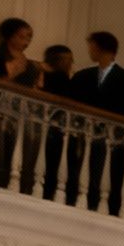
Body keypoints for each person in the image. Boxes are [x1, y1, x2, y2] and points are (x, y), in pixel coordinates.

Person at [67, 31, 124, 218]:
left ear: (101, 48)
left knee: (109, 175)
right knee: (80, 168)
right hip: (85, 133)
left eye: (92, 46)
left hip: (111, 138)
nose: (89, 51)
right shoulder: (83, 76)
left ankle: (107, 207)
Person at [0, 18, 42, 189]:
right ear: (9, 36)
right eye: (22, 37)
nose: (26, 42)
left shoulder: (31, 66)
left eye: (29, 38)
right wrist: (12, 73)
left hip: (17, 113)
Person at [37, 43, 74, 200]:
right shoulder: (61, 78)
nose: (71, 63)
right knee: (53, 164)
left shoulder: (44, 75)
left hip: (45, 125)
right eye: (68, 60)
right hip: (55, 127)